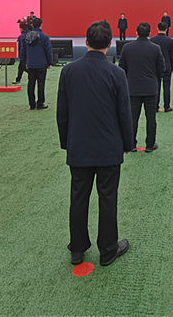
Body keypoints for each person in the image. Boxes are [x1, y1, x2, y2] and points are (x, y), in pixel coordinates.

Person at [57, 20, 132, 267]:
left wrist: (66, 142)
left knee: (78, 198)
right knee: (108, 199)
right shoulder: (117, 74)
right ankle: (108, 249)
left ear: (86, 41)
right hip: (109, 148)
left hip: (79, 146)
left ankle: (77, 249)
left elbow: (62, 112)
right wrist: (128, 143)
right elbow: (124, 113)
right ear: (110, 44)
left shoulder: (69, 71)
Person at [118, 22, 164, 153]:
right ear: (149, 33)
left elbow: (122, 67)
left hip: (132, 89)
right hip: (151, 89)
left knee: (132, 118)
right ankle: (150, 145)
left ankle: (131, 144)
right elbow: (161, 68)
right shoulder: (155, 48)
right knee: (151, 118)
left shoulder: (127, 47)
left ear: (136, 33)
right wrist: (154, 79)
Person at [20, 17, 53, 110]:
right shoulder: (44, 37)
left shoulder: (26, 36)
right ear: (41, 25)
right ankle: (40, 103)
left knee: (31, 84)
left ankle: (32, 104)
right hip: (42, 64)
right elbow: (48, 51)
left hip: (30, 64)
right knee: (41, 84)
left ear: (32, 25)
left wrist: (24, 61)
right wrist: (50, 62)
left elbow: (23, 51)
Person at [151, 22, 173, 111]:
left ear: (157, 29)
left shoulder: (152, 40)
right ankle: (167, 106)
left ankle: (155, 106)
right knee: (166, 87)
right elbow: (172, 55)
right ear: (166, 29)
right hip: (167, 66)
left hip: (155, 67)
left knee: (156, 87)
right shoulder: (170, 40)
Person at [13, 19, 31, 85]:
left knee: (24, 68)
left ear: (21, 28)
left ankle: (19, 79)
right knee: (21, 67)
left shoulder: (21, 37)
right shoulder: (32, 34)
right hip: (31, 55)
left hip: (24, 55)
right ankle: (18, 79)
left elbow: (19, 47)